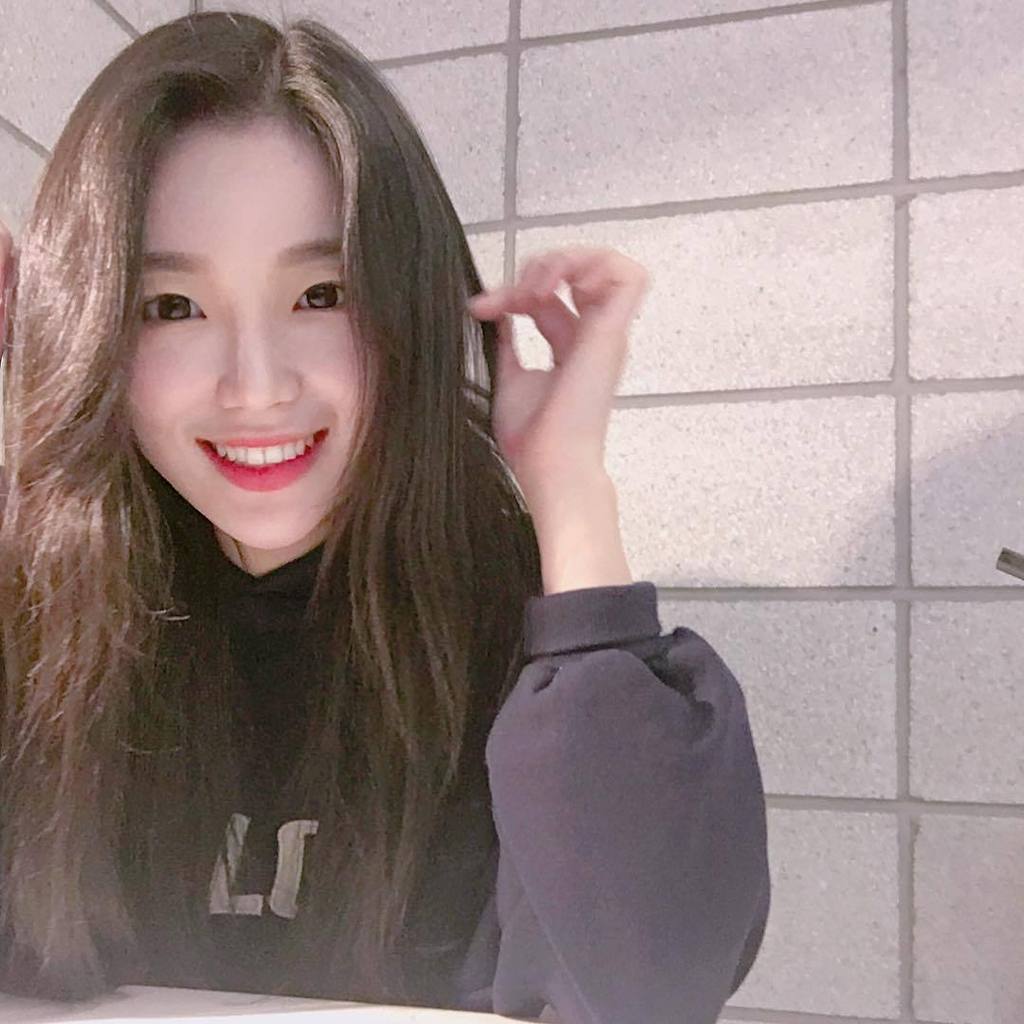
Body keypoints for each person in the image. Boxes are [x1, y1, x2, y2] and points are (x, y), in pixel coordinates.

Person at [0, 12, 770, 1024]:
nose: (257, 387)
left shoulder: (527, 648)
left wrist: (568, 485)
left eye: (322, 292)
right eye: (172, 307)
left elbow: (646, 991)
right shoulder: (43, 620)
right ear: (90, 329)